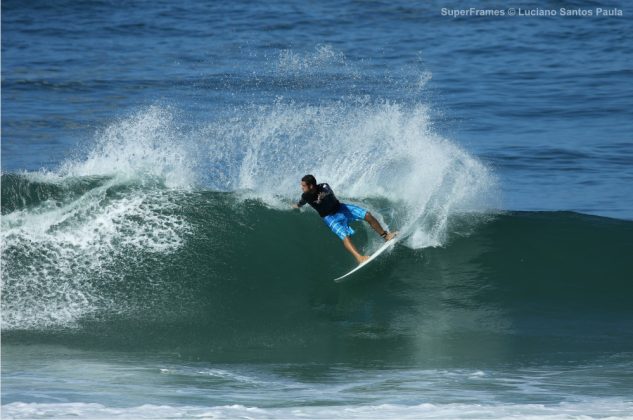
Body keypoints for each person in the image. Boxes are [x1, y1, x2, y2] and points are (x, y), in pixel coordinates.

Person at [292, 174, 397, 264]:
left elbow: (328, 191)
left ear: (311, 186)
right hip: (329, 217)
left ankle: (386, 235)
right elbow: (301, 202)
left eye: (303, 185)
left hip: (341, 208)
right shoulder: (305, 196)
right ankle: (359, 258)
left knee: (367, 215)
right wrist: (296, 206)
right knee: (344, 235)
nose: (301, 187)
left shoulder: (324, 186)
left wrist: (322, 196)